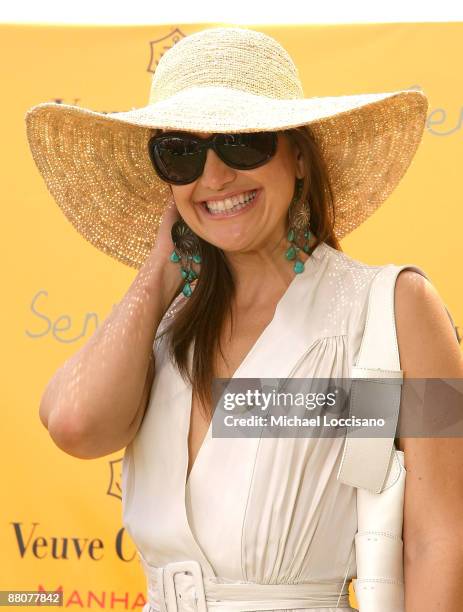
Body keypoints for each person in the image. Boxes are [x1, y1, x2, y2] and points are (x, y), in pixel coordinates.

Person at [25, 26, 463, 612]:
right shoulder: (160, 327)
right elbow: (77, 426)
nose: (214, 177)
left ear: (300, 157)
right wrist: (157, 275)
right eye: (180, 152)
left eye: (242, 143)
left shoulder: (394, 307)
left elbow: (440, 540)